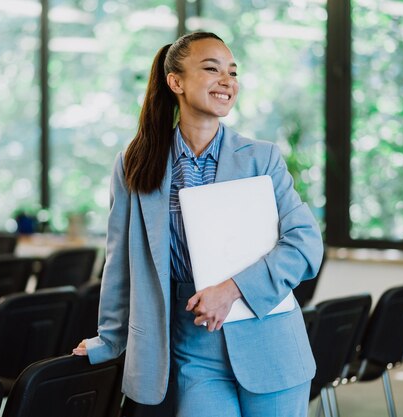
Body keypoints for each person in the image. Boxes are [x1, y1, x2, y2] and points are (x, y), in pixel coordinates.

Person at [73, 31, 323, 417]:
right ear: (176, 82)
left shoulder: (262, 158)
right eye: (212, 69)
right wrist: (110, 339)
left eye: (233, 72)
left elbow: (305, 245)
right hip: (192, 348)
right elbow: (119, 261)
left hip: (269, 342)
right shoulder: (134, 164)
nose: (227, 81)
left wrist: (232, 289)